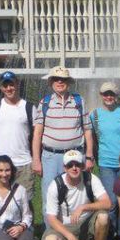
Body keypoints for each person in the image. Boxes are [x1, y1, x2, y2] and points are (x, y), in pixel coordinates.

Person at [32, 66, 93, 227]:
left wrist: (89, 156)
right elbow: (37, 134)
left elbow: (87, 130)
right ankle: (50, 234)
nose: (60, 82)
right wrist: (36, 160)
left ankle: (76, 231)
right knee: (49, 196)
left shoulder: (79, 101)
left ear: (68, 83)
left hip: (75, 157)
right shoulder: (44, 103)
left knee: (77, 194)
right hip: (51, 157)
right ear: (51, 82)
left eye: (63, 79)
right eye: (57, 79)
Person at [42, 150, 112, 240]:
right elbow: (51, 218)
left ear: (83, 166)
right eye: (70, 165)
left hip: (86, 224)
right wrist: (70, 237)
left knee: (103, 216)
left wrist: (84, 207)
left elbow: (107, 203)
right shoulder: (56, 185)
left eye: (77, 164)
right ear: (65, 168)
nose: (74, 168)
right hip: (64, 226)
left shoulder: (91, 179)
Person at [90, 81, 120, 239]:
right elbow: (92, 138)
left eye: (111, 94)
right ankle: (109, 235)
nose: (109, 97)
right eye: (105, 94)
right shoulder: (94, 115)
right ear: (101, 96)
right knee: (111, 201)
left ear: (117, 96)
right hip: (106, 164)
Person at [0, 71, 37, 207]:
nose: (8, 89)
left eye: (11, 85)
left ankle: (26, 228)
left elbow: (36, 135)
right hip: (0, 165)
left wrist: (36, 159)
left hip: (23, 164)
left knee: (26, 203)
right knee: (1, 203)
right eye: (5, 86)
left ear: (17, 85)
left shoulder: (29, 107)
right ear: (1, 88)